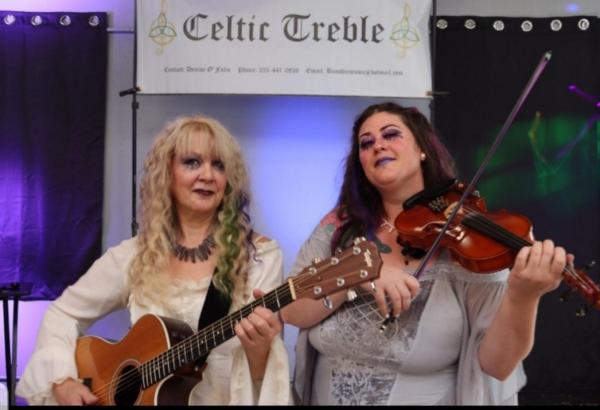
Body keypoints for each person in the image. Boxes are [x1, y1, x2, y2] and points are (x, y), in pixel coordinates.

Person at [280, 102, 571, 405]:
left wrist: (523, 296)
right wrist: (358, 272)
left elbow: (497, 365)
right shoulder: (339, 226)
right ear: (361, 163)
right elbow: (290, 311)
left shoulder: (466, 241)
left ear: (421, 149)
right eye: (366, 143)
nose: (378, 145)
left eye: (391, 135)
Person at [16, 115, 291, 405]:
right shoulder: (135, 255)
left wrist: (260, 351)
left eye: (219, 165)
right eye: (192, 162)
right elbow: (62, 314)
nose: (208, 175)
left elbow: (261, 380)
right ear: (167, 173)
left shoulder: (259, 257)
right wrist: (62, 380)